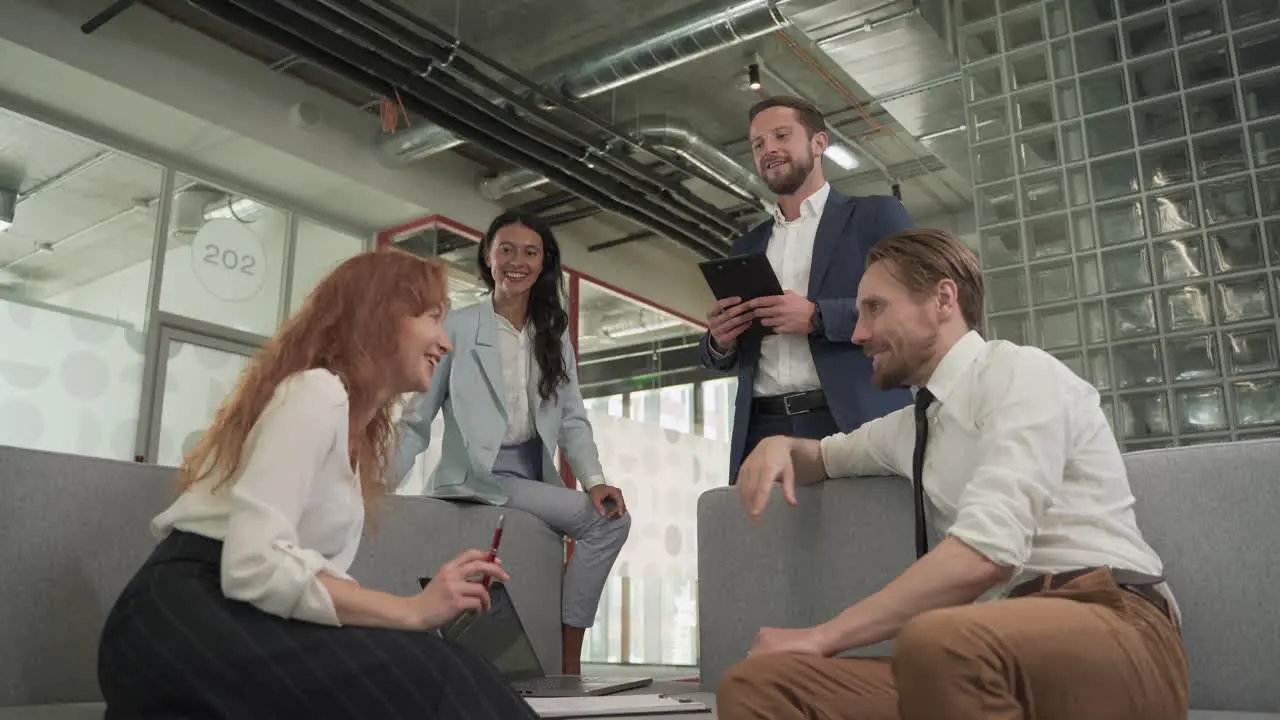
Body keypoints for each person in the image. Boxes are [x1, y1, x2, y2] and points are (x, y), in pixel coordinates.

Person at [716, 227, 1189, 719]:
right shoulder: (911, 427)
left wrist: (822, 637)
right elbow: (821, 457)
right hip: (976, 655)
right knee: (758, 686)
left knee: (937, 638)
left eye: (874, 308)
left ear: (943, 298)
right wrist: (776, 443)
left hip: (1113, 626)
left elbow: (988, 554)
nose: (857, 333)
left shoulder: (1022, 374)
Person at [96, 249, 539, 719]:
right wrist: (410, 612)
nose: (444, 342)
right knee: (439, 673)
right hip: (184, 616)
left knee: (455, 668)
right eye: (432, 317)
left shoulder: (354, 435)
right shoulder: (317, 391)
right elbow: (252, 566)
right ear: (381, 316)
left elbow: (297, 580)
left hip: (239, 613)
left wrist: (414, 616)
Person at [392, 211, 630, 676]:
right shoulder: (456, 327)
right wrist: (375, 487)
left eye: (530, 252)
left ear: (543, 264)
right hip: (480, 476)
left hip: (531, 474)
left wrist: (595, 480)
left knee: (608, 518)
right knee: (604, 528)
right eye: (506, 249)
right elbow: (416, 421)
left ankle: (562, 655)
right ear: (487, 256)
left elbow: (573, 419)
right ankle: (568, 663)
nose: (517, 261)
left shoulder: (553, 335)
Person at [700, 95, 916, 485]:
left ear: (819, 143)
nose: (769, 150)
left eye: (782, 135)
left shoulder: (875, 216)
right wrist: (720, 340)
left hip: (851, 417)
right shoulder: (746, 247)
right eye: (759, 144)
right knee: (766, 546)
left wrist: (818, 317)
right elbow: (725, 355)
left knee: (865, 543)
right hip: (761, 427)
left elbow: (913, 306)